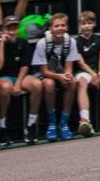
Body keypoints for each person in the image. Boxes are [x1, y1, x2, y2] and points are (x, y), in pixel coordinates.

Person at [0, 16, 43, 144]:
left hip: (20, 76)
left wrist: (18, 83)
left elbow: (24, 66)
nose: (12, 32)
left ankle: (31, 125)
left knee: (37, 85)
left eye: (14, 28)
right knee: (5, 87)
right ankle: (1, 127)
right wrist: (1, 43)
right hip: (4, 77)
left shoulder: (23, 42)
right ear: (3, 30)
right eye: (8, 29)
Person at [30, 13, 78, 141]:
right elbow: (44, 71)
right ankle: (52, 123)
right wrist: (59, 77)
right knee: (49, 84)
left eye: (63, 25)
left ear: (67, 27)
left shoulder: (71, 42)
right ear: (50, 28)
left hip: (60, 72)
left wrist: (67, 76)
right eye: (57, 26)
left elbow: (69, 67)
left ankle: (64, 123)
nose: (60, 28)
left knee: (72, 82)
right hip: (45, 74)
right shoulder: (42, 43)